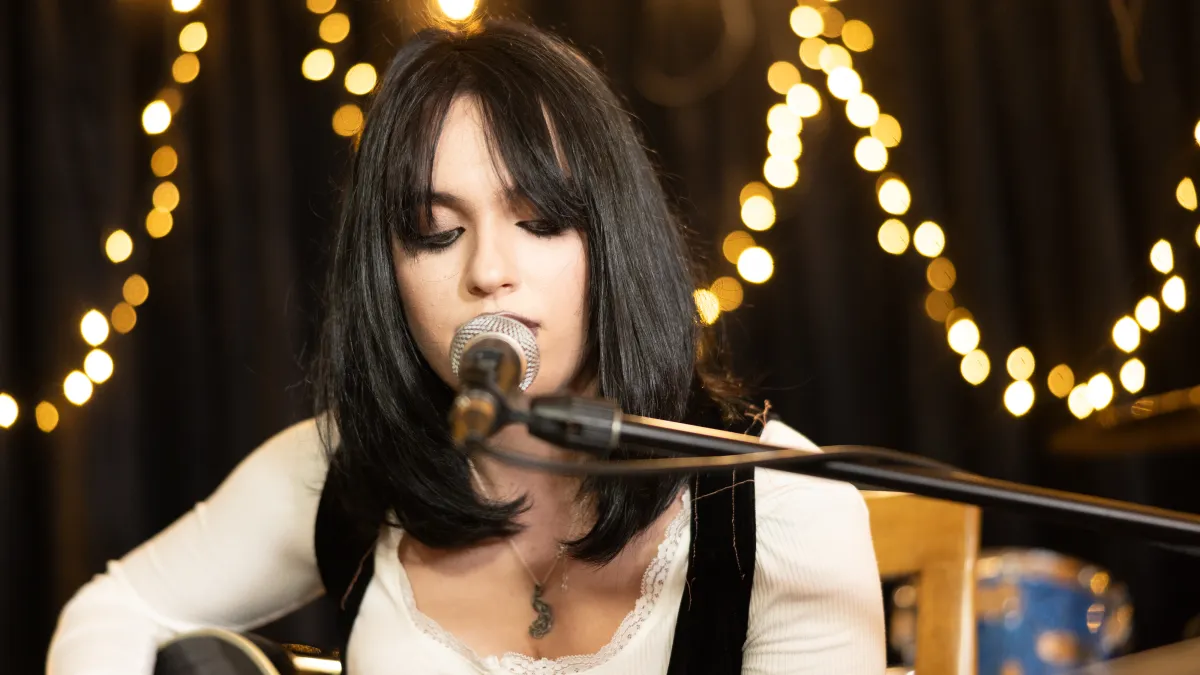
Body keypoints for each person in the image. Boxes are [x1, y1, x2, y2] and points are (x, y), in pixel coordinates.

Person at [46, 19, 884, 675]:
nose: (490, 271)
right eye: (435, 232)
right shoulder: (345, 467)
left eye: (540, 221)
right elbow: (110, 612)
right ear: (391, 272)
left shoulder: (787, 510)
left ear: (613, 242)